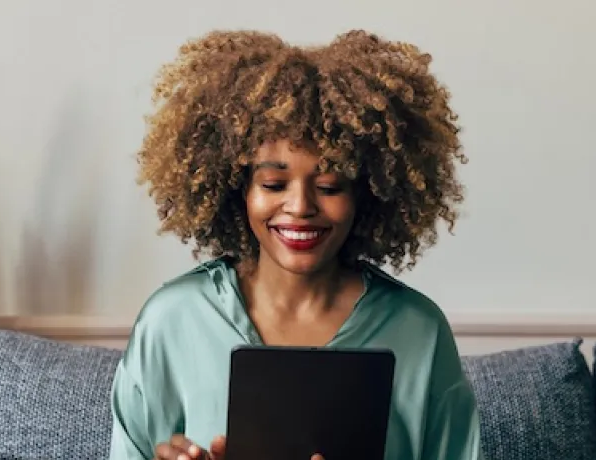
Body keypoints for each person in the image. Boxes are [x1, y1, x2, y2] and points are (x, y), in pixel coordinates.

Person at [109, 29, 483, 460]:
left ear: (366, 193)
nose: (300, 207)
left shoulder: (419, 330)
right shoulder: (172, 320)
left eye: (329, 186)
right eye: (273, 183)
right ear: (238, 189)